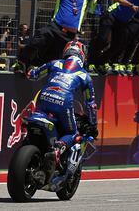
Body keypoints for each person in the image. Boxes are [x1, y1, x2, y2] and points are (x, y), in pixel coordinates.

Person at [13, 0, 117, 73]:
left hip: (69, 36)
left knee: (52, 58)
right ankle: (21, 63)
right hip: (55, 27)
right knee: (37, 41)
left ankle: (33, 68)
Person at [27, 40, 98, 189]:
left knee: (32, 121)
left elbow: (33, 75)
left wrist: (27, 69)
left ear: (66, 52)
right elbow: (90, 104)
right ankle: (58, 149)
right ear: (82, 55)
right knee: (72, 132)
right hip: (63, 102)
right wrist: (93, 124)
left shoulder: (55, 63)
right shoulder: (84, 75)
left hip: (44, 97)